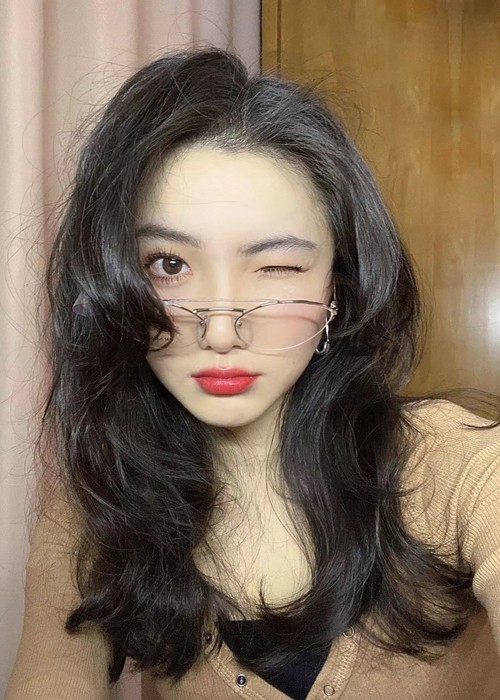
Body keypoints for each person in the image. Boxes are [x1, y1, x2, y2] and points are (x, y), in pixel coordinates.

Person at [6, 47, 500, 700]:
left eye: (276, 268)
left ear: (336, 289)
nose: (219, 332)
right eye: (169, 265)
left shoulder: (456, 468)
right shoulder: (96, 508)